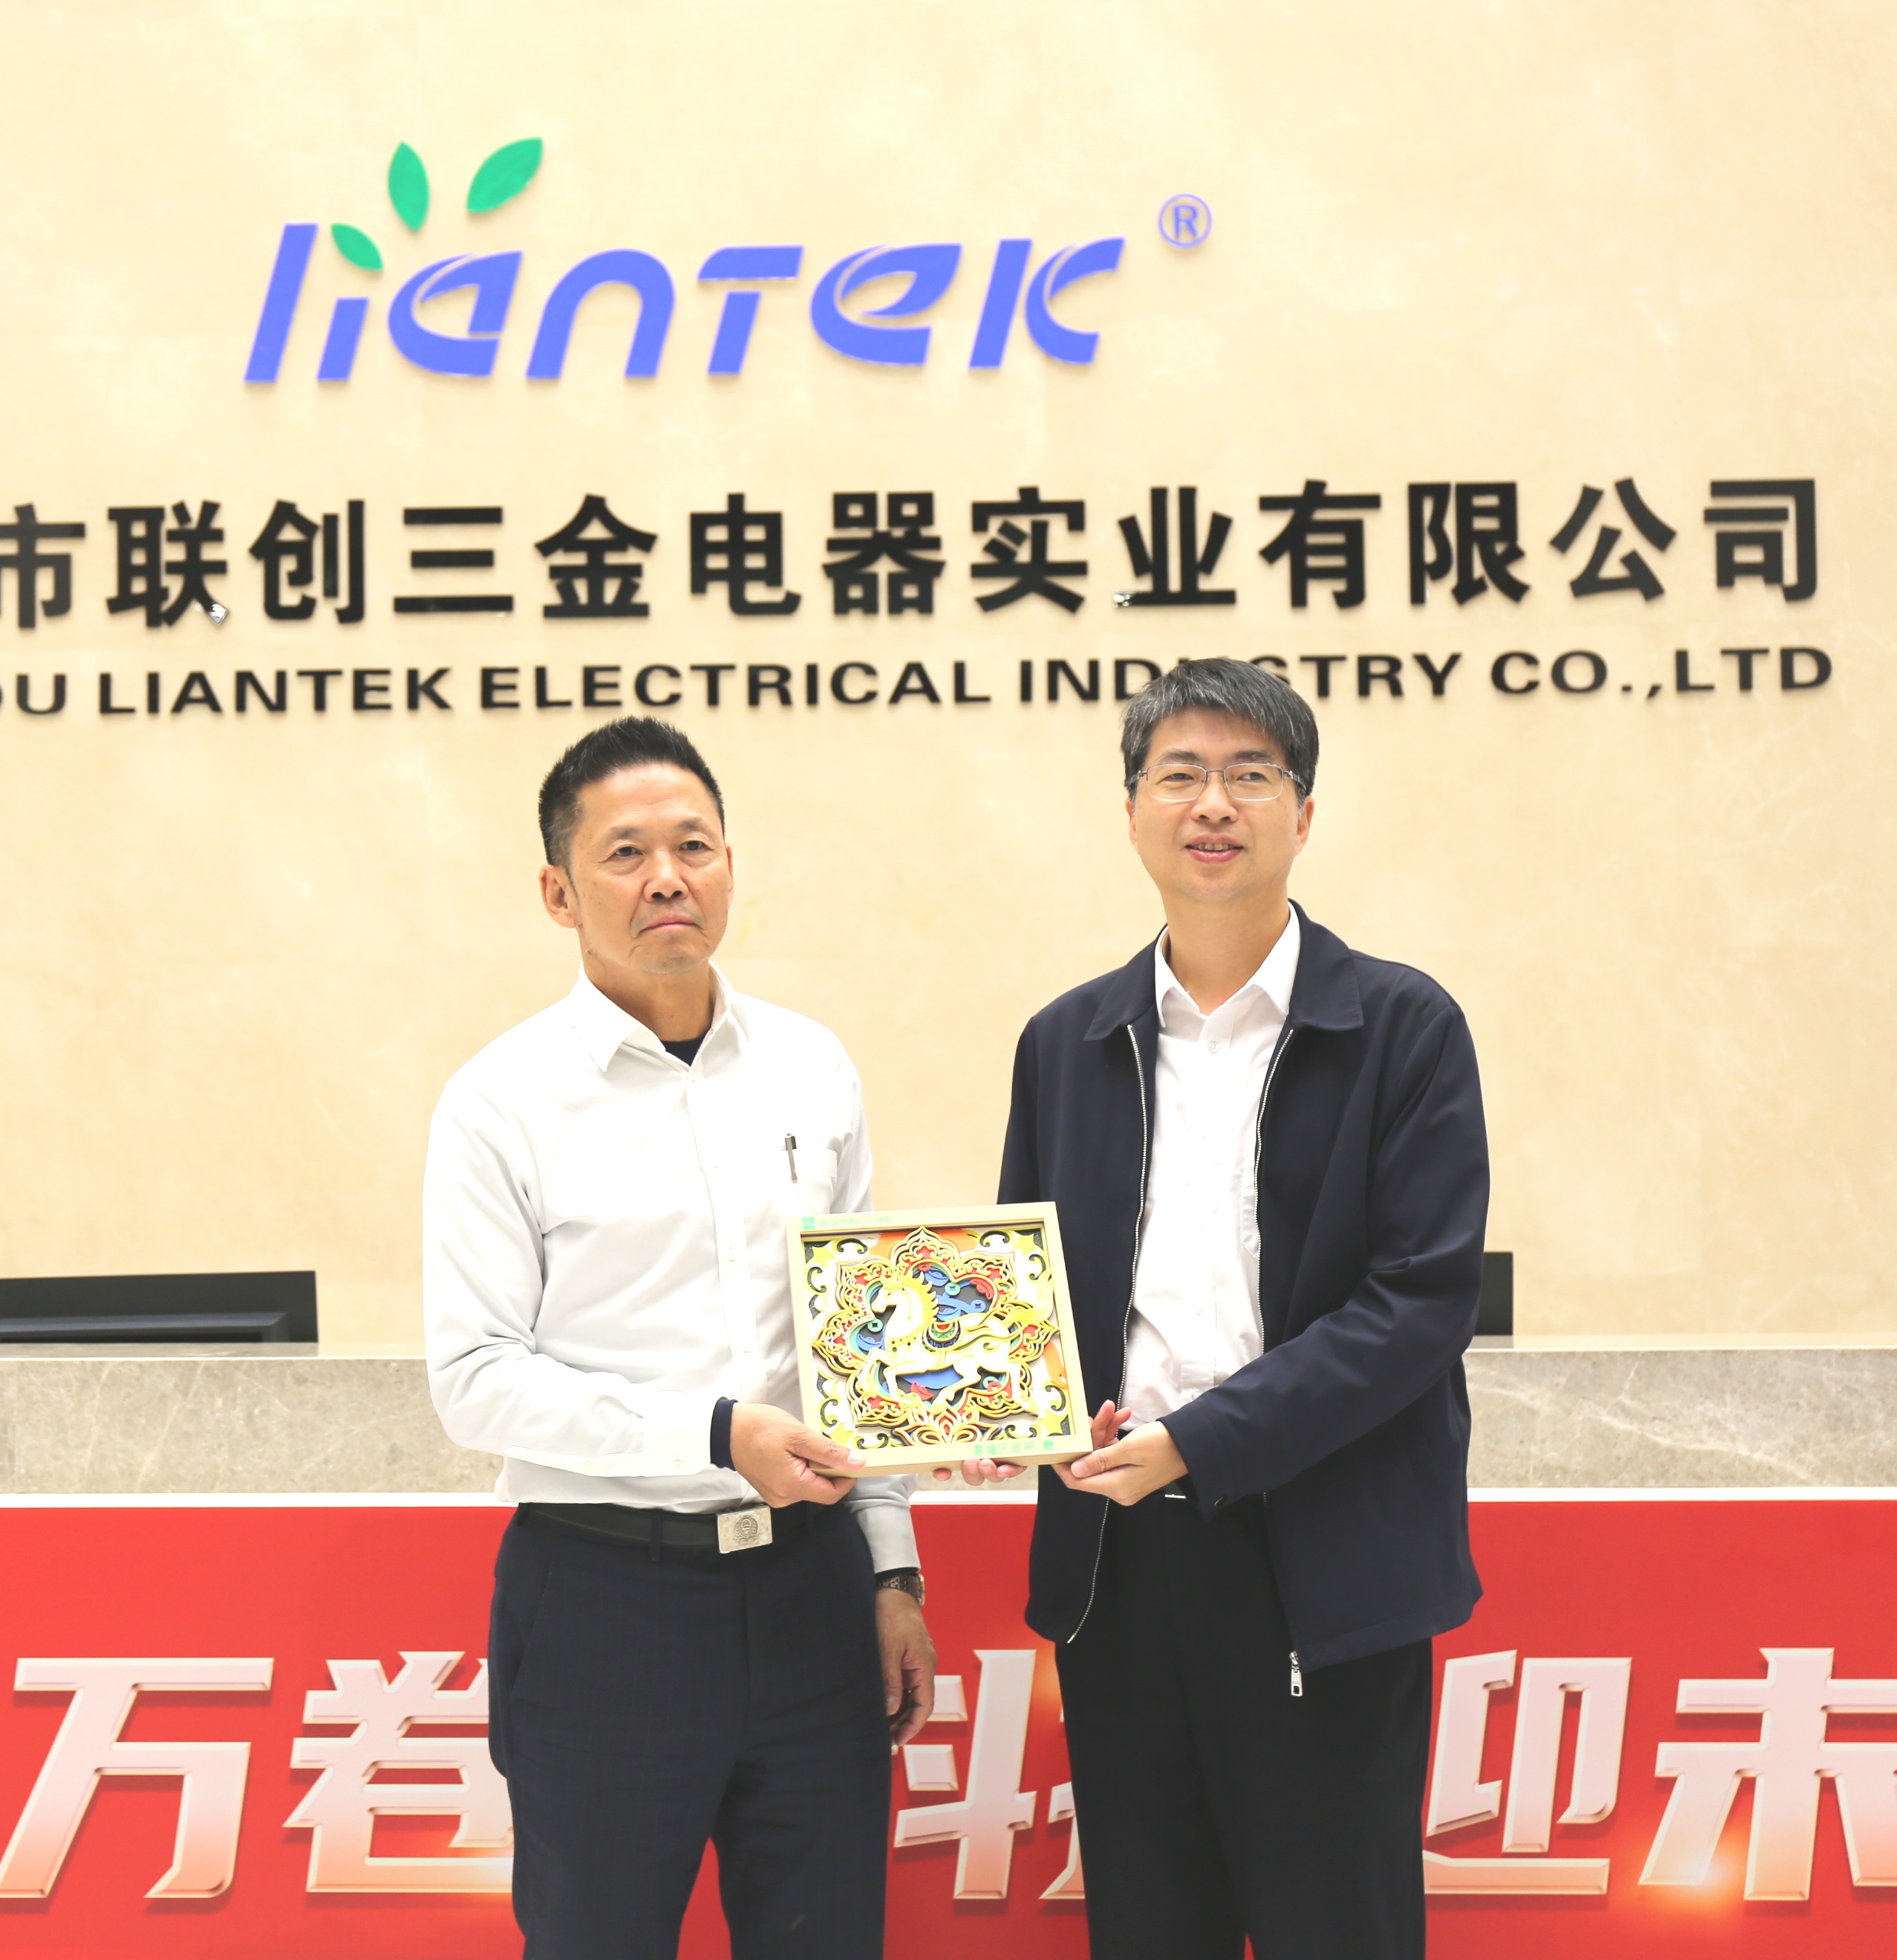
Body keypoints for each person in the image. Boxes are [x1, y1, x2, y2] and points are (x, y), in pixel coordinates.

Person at [992, 658, 1487, 1958]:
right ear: (1132, 813)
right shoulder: (1066, 1042)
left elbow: (1419, 1302)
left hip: (1320, 1564)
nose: (1213, 805)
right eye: (1180, 776)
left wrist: (1201, 1442)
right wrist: (1007, 1406)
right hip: (1117, 1570)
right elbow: (1027, 1292)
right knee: (1152, 1929)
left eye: (1250, 775)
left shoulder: (1402, 1028)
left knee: (1338, 1929)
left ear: (1303, 815)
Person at [425, 716, 936, 1960]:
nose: (667, 878)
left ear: (729, 867)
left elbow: (856, 1341)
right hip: (607, 1602)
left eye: (694, 847)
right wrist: (716, 1435)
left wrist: (891, 1570)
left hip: (812, 1594)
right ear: (558, 893)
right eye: (625, 853)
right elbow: (475, 1381)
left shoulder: (812, 1067)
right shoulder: (500, 1102)